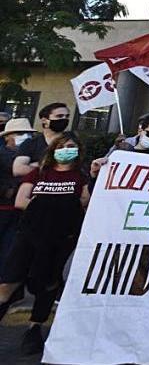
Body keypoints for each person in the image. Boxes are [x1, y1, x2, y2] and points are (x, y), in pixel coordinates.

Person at [0, 132, 90, 355]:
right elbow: (21, 200)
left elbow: (85, 202)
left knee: (48, 284)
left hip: (60, 238)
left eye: (71, 146)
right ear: (53, 149)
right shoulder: (38, 172)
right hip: (30, 235)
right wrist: (53, 205)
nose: (66, 150)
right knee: (9, 282)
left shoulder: (81, 176)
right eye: (62, 146)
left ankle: (34, 329)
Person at [0, 118, 38, 268]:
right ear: (7, 136)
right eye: (21, 133)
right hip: (3, 208)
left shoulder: (30, 154)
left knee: (10, 251)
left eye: (28, 134)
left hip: (19, 210)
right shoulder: (3, 154)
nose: (25, 137)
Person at [13, 103, 70, 179]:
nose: (64, 119)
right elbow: (18, 170)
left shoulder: (72, 143)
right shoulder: (31, 143)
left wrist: (37, 165)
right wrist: (54, 168)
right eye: (59, 116)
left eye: (67, 116)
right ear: (44, 121)